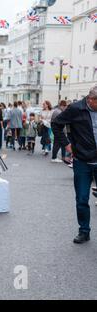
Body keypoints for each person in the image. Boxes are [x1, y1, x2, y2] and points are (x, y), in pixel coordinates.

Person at [52, 86, 97, 244]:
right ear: (90, 100)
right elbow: (56, 124)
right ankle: (84, 231)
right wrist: (66, 144)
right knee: (82, 199)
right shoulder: (76, 109)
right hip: (82, 161)